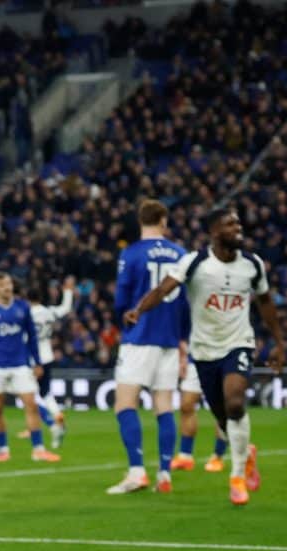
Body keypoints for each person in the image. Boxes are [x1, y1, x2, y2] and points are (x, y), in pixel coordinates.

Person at [125, 207, 285, 506]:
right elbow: (163, 290)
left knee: (235, 402)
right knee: (224, 419)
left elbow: (264, 302)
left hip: (238, 343)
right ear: (214, 231)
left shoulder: (252, 264)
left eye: (239, 222)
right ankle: (246, 451)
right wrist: (139, 310)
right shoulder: (195, 262)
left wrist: (278, 342)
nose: (238, 228)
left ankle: (236, 478)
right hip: (204, 350)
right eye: (230, 224)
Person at [108, 199, 186, 496]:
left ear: (140, 221)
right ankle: (165, 473)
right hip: (169, 338)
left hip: (140, 336)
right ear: (163, 221)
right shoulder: (180, 254)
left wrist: (124, 322)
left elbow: (121, 300)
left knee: (125, 403)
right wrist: (183, 338)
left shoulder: (132, 253)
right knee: (163, 405)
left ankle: (137, 471)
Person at [0, 272, 60, 464]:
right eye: (2, 284)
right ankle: (3, 449)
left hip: (21, 364)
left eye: (9, 283)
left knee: (31, 404)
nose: (7, 287)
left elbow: (32, 336)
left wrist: (37, 362)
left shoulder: (22, 307)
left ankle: (38, 449)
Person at [25, 276, 75, 449]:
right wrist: (68, 291)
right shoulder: (48, 312)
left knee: (28, 395)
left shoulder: (26, 314)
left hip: (32, 359)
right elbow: (66, 308)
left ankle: (50, 423)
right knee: (45, 393)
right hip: (47, 356)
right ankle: (57, 414)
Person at [173, 351, 227, 473]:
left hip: (223, 356)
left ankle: (218, 456)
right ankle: (185, 455)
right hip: (196, 357)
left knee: (221, 408)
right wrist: (183, 357)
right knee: (186, 405)